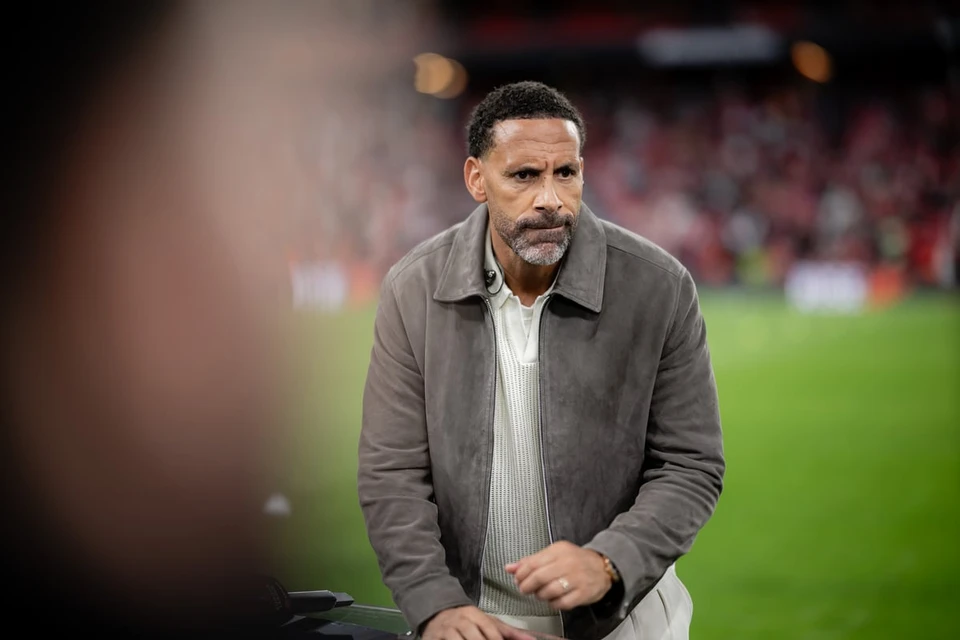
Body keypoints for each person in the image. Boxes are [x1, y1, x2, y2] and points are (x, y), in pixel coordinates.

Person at [357, 81, 724, 640]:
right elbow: (393, 473)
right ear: (477, 179)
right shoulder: (413, 290)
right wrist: (434, 605)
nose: (550, 198)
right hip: (471, 622)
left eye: (565, 173)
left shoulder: (660, 287)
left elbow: (690, 465)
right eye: (524, 175)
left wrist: (610, 562)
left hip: (626, 619)